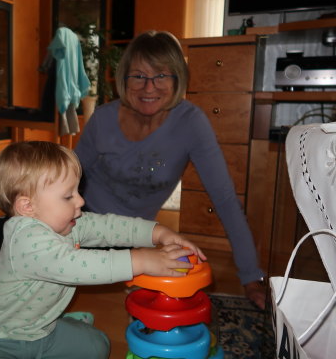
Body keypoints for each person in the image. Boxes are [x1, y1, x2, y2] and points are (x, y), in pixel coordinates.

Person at [0, 141, 204, 359]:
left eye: (77, 190)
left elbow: (110, 226)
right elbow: (79, 265)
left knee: (100, 350)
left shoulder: (67, 223)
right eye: (68, 196)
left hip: (44, 328)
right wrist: (140, 260)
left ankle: (64, 322)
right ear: (27, 207)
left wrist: (159, 233)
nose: (81, 200)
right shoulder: (25, 240)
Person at [74, 30, 266, 309]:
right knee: (3, 236)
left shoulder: (191, 123)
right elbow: (68, 176)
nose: (148, 88)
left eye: (161, 75)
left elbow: (224, 199)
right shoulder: (103, 119)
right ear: (124, 79)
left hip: (133, 236)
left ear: (178, 79)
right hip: (85, 220)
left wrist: (252, 278)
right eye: (138, 76)